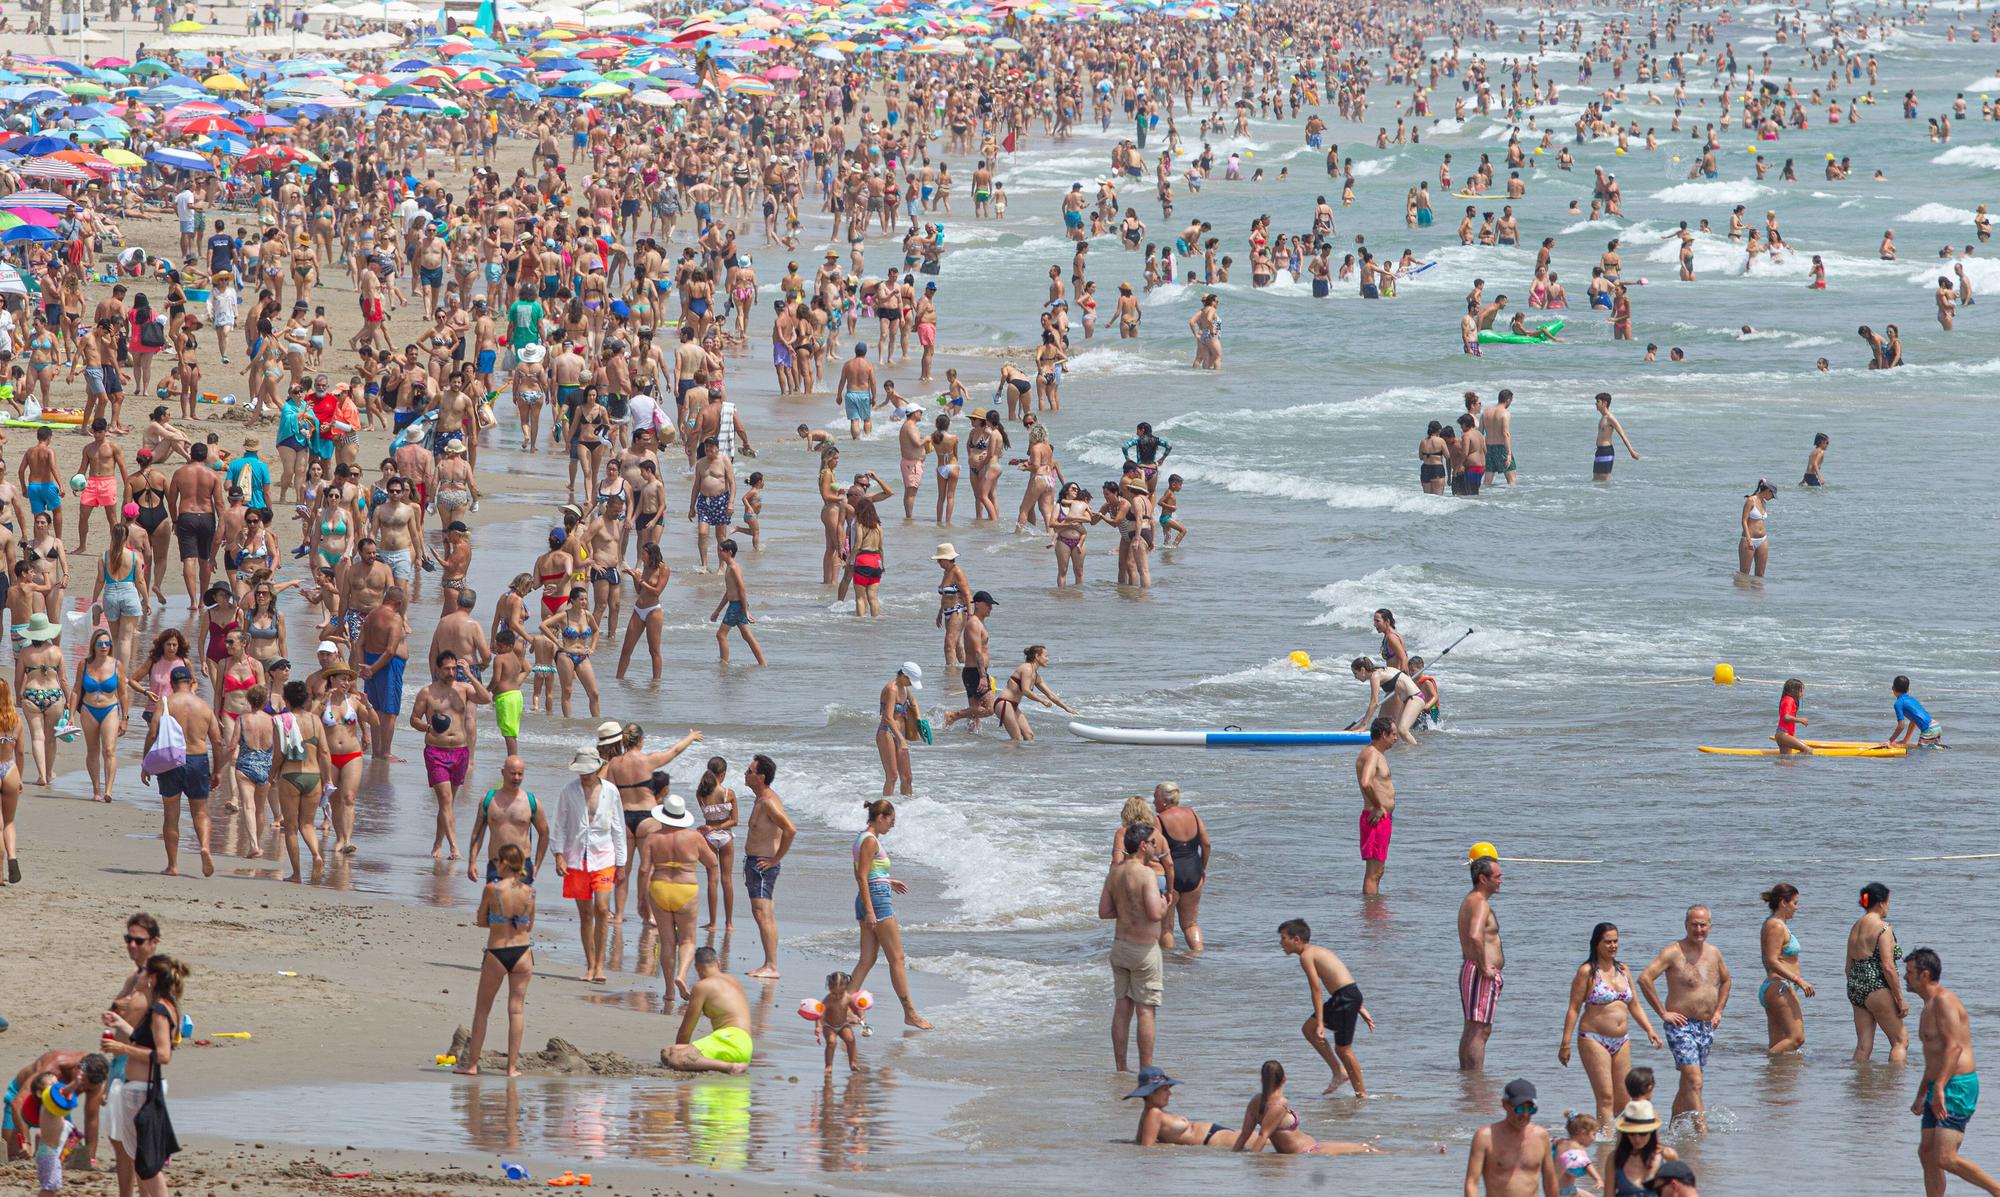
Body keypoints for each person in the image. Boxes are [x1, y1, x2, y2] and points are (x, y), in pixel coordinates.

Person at [1907, 947, 2000, 1196]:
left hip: (1957, 1085)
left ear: (1924, 974)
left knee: (1945, 1158)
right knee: (1926, 1153)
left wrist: (1938, 1088)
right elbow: (1933, 1058)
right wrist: (1921, 1093)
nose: (1905, 977)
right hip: (1938, 1084)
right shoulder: (1928, 1006)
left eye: (1909, 972)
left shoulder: (1944, 1000)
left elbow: (1954, 1048)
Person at [100, 955, 190, 1197]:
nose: (137, 976)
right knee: (140, 1160)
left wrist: (122, 1049)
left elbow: (163, 1055)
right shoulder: (161, 1006)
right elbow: (141, 1039)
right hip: (138, 1088)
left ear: (151, 979)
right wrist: (119, 1022)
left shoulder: (160, 1010)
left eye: (142, 973)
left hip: (143, 1091)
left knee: (148, 1163)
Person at [1636, 905, 1731, 1130]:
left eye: (1703, 925)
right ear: (1686, 925)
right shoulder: (1673, 952)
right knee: (1695, 1081)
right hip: (1681, 1026)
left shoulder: (1714, 952)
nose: (1698, 929)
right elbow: (1645, 978)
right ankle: (1702, 1129)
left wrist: (1718, 1011)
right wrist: (1663, 1012)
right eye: (1694, 924)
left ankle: (1673, 1129)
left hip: (1706, 1026)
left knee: (1688, 1083)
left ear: (1710, 926)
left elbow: (1727, 980)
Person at [1558, 922, 1661, 1129]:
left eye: (1615, 941)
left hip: (1621, 1040)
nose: (1613, 946)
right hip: (1594, 1038)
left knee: (1623, 1101)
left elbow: (1634, 1005)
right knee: (1605, 1097)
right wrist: (1565, 1043)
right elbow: (1573, 1008)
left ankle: (1606, 1135)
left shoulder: (1623, 969)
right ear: (1597, 944)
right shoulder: (1587, 972)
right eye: (1608, 942)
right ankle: (1605, 1144)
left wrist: (1649, 1029)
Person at [455, 843, 536, 1077]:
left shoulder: (492, 889)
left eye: (497, 862)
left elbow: (481, 920)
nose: (495, 866)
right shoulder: (530, 892)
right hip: (523, 953)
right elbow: (529, 924)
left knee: (482, 1010)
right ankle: (511, 1068)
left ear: (504, 863)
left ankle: (471, 1065)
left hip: (497, 951)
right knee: (517, 1010)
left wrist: (497, 921)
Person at [550, 746, 627, 985]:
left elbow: (618, 827)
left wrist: (621, 863)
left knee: (602, 909)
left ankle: (601, 965)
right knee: (585, 914)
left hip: (604, 856)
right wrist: (558, 855)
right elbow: (560, 823)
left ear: (596, 768)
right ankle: (590, 964)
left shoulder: (611, 792)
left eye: (588, 771)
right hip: (575, 857)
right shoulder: (568, 791)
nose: (584, 775)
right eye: (580, 771)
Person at [851, 800, 931, 1029]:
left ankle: (842, 1008)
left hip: (872, 895)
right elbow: (862, 876)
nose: (892, 826)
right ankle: (910, 1013)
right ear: (881, 817)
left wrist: (888, 880)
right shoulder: (869, 841)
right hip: (876, 900)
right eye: (891, 821)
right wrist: (869, 910)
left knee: (867, 959)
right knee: (897, 959)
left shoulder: (862, 838)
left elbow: (867, 873)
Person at [637, 792, 719, 1008]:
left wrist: (641, 899)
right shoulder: (694, 837)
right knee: (688, 940)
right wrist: (713, 885)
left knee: (667, 941)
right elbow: (712, 863)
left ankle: (669, 991)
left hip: (660, 888)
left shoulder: (652, 838)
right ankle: (681, 975)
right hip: (686, 889)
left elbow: (644, 869)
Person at [1279, 918, 1373, 1096]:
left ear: (1296, 939)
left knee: (1343, 1049)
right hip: (1344, 996)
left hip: (1345, 997)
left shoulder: (1307, 956)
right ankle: (1339, 1072)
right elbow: (1340, 977)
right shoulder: (1316, 951)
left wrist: (1321, 1023)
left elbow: (1316, 990)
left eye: (1283, 938)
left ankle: (1362, 1094)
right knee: (1308, 1029)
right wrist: (1359, 1006)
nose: (1281, 943)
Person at [1101, 821, 1167, 1072]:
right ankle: (1146, 1069)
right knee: (1146, 1011)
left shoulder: (1115, 872)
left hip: (1120, 947)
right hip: (1144, 949)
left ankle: (1121, 1067)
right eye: (1153, 842)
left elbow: (1104, 911)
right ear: (1142, 845)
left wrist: (1128, 909)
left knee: (1122, 1007)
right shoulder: (1146, 874)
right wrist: (1164, 902)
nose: (1155, 847)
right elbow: (1154, 913)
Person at [1233, 1059, 1377, 1155]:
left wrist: (1235, 1155)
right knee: (1367, 1148)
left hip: (1309, 1148)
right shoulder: (1279, 1104)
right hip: (1307, 1151)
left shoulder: (1255, 1101)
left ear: (1261, 1079)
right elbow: (1263, 1136)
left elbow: (1244, 1134)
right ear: (1284, 1079)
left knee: (1363, 1145)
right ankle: (1397, 1155)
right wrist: (1254, 1159)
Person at [740, 754, 796, 980]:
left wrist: (775, 859)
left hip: (763, 865)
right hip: (756, 863)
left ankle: (771, 966)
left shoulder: (768, 801)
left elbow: (790, 829)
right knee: (764, 913)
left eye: (749, 771)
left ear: (761, 777)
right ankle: (769, 964)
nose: (745, 774)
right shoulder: (761, 799)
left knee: (763, 914)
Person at [662, 946, 752, 1075]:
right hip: (746, 1045)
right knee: (669, 1051)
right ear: (718, 963)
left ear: (697, 968)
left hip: (729, 1039)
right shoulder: (734, 981)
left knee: (670, 1054)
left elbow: (686, 1031)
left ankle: (729, 1067)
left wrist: (680, 1052)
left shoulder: (701, 986)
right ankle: (730, 1064)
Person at [1464, 1079, 1560, 1196]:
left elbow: (1550, 1182)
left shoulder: (1541, 1136)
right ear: (1505, 1105)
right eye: (1519, 1109)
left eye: (1530, 1109)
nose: (1525, 1115)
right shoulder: (1485, 1137)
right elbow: (1472, 1182)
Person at [1848, 881, 1910, 1062]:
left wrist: (1859, 986)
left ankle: (1860, 1087)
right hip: (1876, 987)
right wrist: (1899, 999)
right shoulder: (1883, 928)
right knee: (1900, 1041)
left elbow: (1848, 967)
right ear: (1881, 902)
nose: (1888, 906)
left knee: (1863, 1045)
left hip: (1855, 987)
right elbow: (1888, 966)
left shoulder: (1855, 927)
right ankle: (1896, 1085)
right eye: (1889, 902)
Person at [1459, 849, 1506, 1070]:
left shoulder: (1472, 900)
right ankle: (1475, 1079)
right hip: (1479, 972)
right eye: (1497, 877)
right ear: (1483, 879)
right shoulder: (1479, 903)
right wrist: (1483, 966)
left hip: (1473, 970)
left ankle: (1468, 1079)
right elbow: (1475, 935)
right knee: (1480, 1030)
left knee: (1473, 1027)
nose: (1501, 881)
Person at [1759, 883, 1815, 1054]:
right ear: (1783, 902)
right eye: (1795, 903)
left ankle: (1775, 1077)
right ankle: (1760, 1068)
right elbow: (1771, 960)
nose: (1796, 908)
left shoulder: (1776, 924)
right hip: (1779, 987)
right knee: (1797, 1038)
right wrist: (1798, 980)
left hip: (1778, 987)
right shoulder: (1775, 925)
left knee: (1781, 1045)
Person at [1152, 782, 1207, 952]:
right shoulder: (1193, 814)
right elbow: (1207, 844)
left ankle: (1172, 967)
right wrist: (1202, 869)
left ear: (1165, 800)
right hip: (1194, 873)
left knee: (1167, 927)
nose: (1153, 803)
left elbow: (1153, 849)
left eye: (1155, 798)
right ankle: (1198, 955)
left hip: (1172, 875)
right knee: (1190, 924)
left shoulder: (1159, 820)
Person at [1128, 1065, 1237, 1149]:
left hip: (1214, 1135)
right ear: (1151, 1093)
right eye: (1165, 1089)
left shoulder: (1152, 1113)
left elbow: (1140, 1142)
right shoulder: (1154, 1113)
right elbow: (1147, 1149)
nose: (1170, 1094)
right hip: (1213, 1138)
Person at [1355, 716, 1396, 895]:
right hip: (1375, 818)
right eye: (1393, 734)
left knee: (1378, 871)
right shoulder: (1372, 754)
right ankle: (1371, 915)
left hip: (1381, 818)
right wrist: (1379, 806)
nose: (1396, 738)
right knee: (1374, 872)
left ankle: (1373, 910)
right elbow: (1366, 782)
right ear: (1383, 734)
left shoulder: (1376, 754)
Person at [1610, 1100, 1677, 1196]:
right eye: (1632, 1133)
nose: (1637, 1139)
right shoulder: (1615, 1158)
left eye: (1643, 1133)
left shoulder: (1668, 1156)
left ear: (1652, 1131)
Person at [817, 971, 863, 1073]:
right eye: (834, 993)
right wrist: (818, 1026)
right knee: (831, 1042)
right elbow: (820, 1014)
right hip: (829, 1026)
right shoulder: (827, 1000)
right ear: (829, 988)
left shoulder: (847, 998)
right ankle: (828, 1066)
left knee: (850, 1040)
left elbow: (855, 1007)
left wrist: (861, 1015)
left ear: (846, 989)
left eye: (840, 993)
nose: (837, 996)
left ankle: (853, 1063)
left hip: (843, 1025)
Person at [1888, 674, 1946, 748]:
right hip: (1936, 726)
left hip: (1928, 730)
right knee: (1933, 750)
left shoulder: (1898, 703)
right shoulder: (1912, 700)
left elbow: (1901, 726)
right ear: (1908, 689)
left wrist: (1889, 741)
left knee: (1921, 753)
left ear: (1893, 688)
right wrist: (1905, 740)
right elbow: (1913, 721)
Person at [1591, 392, 1639, 480]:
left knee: (1604, 478)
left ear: (1604, 403)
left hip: (1606, 451)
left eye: (1598, 402)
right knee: (1596, 478)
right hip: (1599, 451)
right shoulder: (1603, 417)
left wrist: (1631, 451)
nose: (1595, 404)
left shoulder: (1610, 418)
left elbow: (1622, 434)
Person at [1738, 479, 1774, 578]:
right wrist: (1749, 540)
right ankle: (1742, 593)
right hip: (1749, 539)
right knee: (1744, 574)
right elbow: (1744, 521)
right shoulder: (1750, 500)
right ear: (1768, 491)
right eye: (1773, 495)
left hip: (1763, 540)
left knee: (1760, 575)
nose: (1772, 498)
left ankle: (1757, 593)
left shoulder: (1764, 502)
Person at [1775, 677, 1811, 755]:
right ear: (1794, 690)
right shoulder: (1789, 700)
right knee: (1808, 750)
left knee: (1786, 762)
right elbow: (1785, 717)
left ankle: (1793, 765)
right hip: (1783, 735)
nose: (1802, 694)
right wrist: (1801, 720)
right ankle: (1800, 766)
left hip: (1782, 735)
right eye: (1800, 691)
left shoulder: (1787, 699)